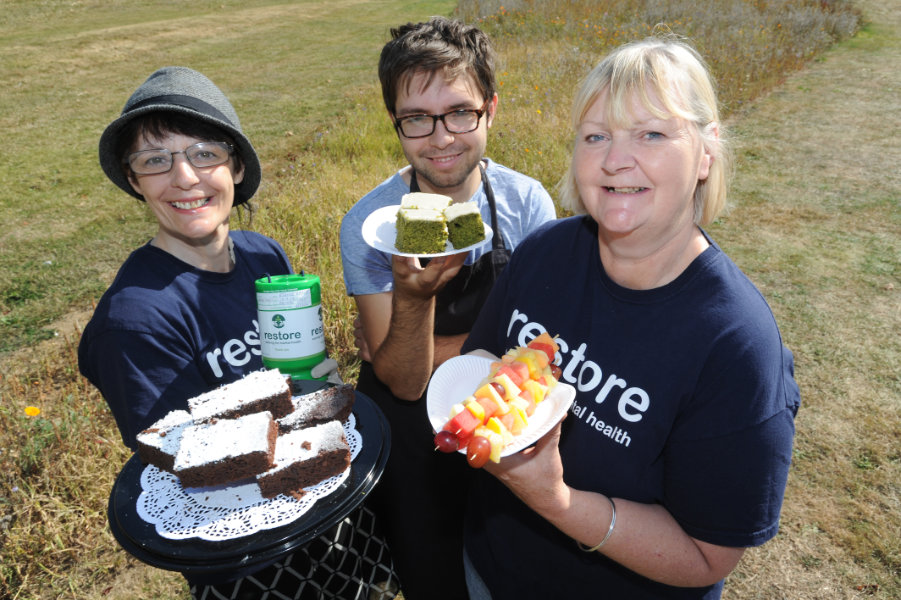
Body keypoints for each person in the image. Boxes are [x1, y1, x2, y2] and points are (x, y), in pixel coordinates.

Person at [457, 36, 801, 599]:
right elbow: (482, 357)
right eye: (596, 136)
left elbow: (704, 556)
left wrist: (556, 501)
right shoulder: (544, 251)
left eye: (652, 134)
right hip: (491, 573)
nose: (616, 159)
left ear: (706, 152)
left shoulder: (735, 344)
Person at [79, 66, 397, 600]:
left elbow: (305, 379)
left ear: (236, 164)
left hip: (334, 513)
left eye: (204, 153)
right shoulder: (135, 322)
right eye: (155, 160)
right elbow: (192, 481)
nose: (184, 177)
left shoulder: (262, 256)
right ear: (134, 181)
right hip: (252, 565)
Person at [339, 17, 557, 600]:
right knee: (433, 577)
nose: (441, 138)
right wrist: (412, 299)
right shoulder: (370, 225)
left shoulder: (526, 204)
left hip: (506, 421)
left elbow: (545, 350)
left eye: (460, 112)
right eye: (417, 119)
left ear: (490, 107)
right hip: (413, 443)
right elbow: (403, 382)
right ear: (396, 123)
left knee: (515, 570)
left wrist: (414, 345)